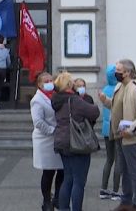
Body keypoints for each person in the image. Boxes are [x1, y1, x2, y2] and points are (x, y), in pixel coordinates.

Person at [52, 72, 101, 211]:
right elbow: (94, 112)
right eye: (72, 82)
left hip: (61, 142)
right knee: (78, 181)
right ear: (69, 85)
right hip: (76, 142)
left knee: (67, 178)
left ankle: (64, 208)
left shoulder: (56, 100)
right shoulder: (74, 99)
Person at [110, 58, 136, 211]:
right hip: (120, 135)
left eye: (119, 71)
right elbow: (117, 106)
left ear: (127, 72)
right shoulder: (121, 86)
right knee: (124, 170)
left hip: (131, 137)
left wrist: (132, 130)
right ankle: (126, 201)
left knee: (134, 171)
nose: (116, 73)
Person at [32, 71, 65, 211]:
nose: (49, 83)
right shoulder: (37, 100)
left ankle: (58, 197)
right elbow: (38, 122)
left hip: (59, 139)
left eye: (51, 80)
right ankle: (47, 201)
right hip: (45, 140)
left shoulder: (55, 96)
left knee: (62, 170)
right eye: (45, 81)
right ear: (39, 84)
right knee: (48, 172)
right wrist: (53, 130)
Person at [96, 64, 123, 201]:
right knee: (119, 160)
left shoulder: (105, 89)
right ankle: (116, 191)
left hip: (106, 130)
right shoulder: (120, 89)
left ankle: (103, 189)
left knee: (109, 159)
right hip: (117, 128)